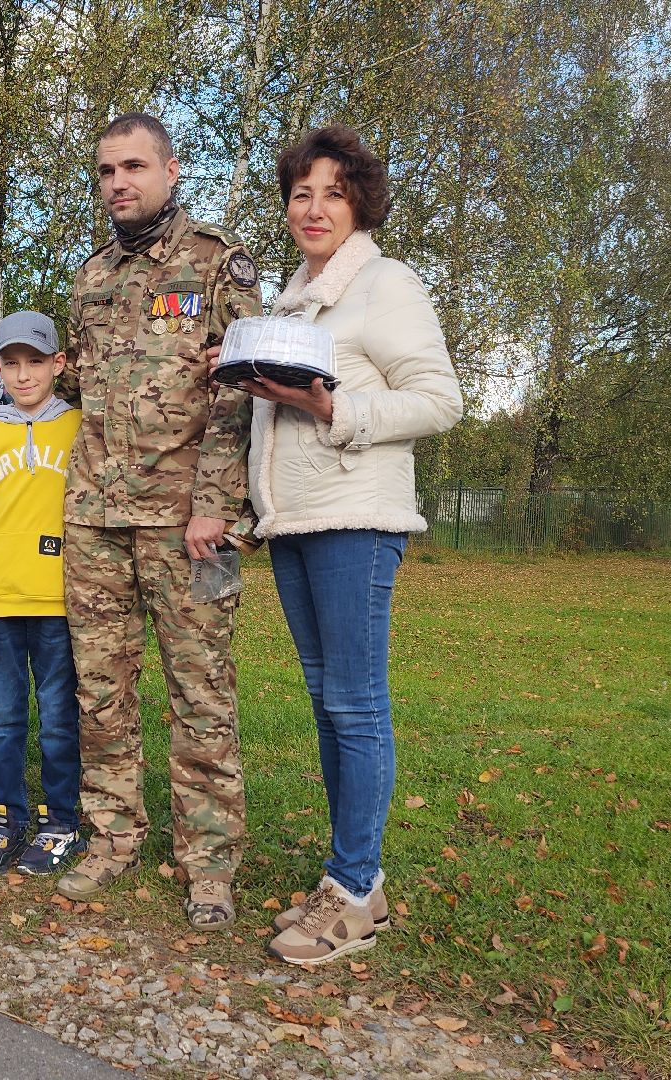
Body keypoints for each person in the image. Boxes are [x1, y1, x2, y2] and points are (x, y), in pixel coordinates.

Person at [233, 126, 463, 965]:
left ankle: (355, 889)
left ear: (360, 203)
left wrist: (336, 410)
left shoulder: (386, 284)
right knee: (329, 701)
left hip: (356, 521)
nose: (315, 207)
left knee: (356, 705)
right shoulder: (295, 297)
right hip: (295, 523)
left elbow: (440, 400)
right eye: (302, 193)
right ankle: (354, 880)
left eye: (333, 192)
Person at [56, 112, 264, 931]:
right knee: (100, 691)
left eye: (134, 167)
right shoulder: (91, 276)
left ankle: (209, 863)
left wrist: (216, 504)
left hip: (188, 523)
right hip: (95, 517)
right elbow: (80, 387)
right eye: (107, 171)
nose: (119, 183)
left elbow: (240, 391)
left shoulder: (217, 263)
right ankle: (113, 835)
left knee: (200, 691)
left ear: (171, 171)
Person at [0, 312, 86, 876]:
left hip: (61, 604)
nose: (24, 375)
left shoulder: (79, 428)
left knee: (58, 718)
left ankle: (62, 823)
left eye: (36, 362)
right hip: (0, 608)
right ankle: (7, 818)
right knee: (2, 720)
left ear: (59, 363)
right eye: (11, 364)